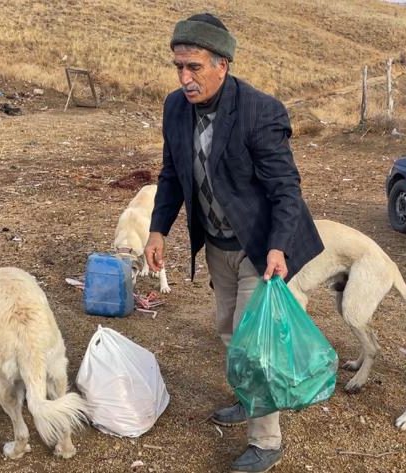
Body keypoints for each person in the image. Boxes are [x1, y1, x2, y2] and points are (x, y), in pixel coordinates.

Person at [144, 12, 323, 473]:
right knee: (228, 330)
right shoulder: (174, 108)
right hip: (218, 243)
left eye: (194, 67)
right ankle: (249, 398)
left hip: (261, 247)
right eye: (178, 67)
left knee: (254, 344)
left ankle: (266, 441)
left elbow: (286, 187)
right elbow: (171, 175)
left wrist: (279, 247)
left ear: (222, 64)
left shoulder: (260, 111)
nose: (185, 78)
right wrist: (158, 229)